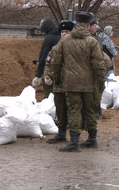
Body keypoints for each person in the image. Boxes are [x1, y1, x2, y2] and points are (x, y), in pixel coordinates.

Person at [52, 11, 106, 152]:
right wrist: (101, 81)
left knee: (74, 110)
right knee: (90, 110)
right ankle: (92, 139)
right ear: (88, 24)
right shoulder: (92, 42)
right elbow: (99, 64)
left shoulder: (64, 41)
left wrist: (56, 78)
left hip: (70, 82)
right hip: (89, 83)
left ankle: (74, 142)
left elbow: (56, 62)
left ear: (77, 23)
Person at [44, 20, 74, 144]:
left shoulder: (75, 47)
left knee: (73, 110)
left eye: (67, 31)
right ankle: (61, 133)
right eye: (62, 32)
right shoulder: (55, 48)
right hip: (59, 84)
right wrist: (48, 75)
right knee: (60, 109)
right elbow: (49, 62)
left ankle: (74, 136)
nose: (64, 34)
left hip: (72, 84)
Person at [32, 18, 61, 98]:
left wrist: (39, 75)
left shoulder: (49, 38)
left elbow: (43, 57)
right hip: (65, 71)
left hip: (51, 71)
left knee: (49, 95)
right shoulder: (63, 36)